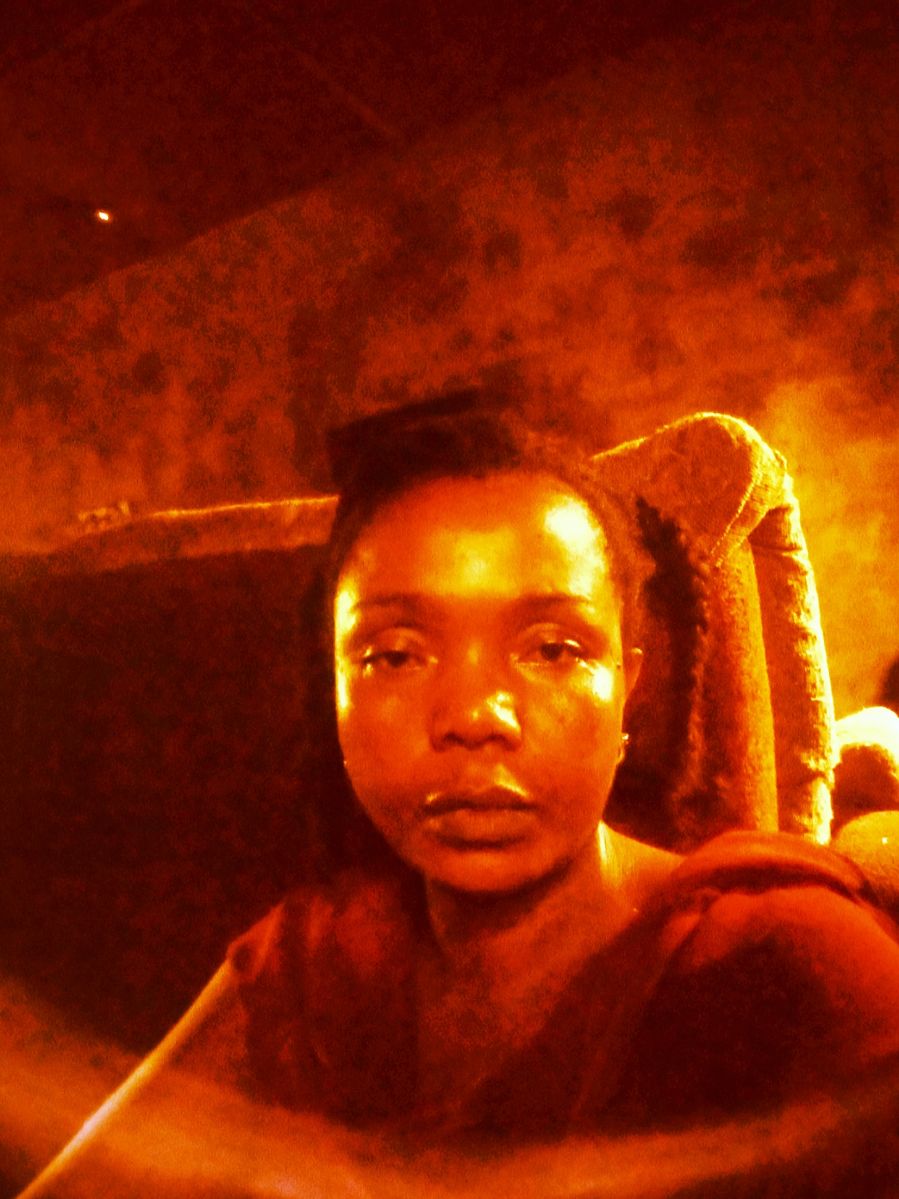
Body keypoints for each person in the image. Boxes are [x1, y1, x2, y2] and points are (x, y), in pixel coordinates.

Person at [19, 393, 899, 1197]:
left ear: (628, 689)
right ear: (333, 693)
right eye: (396, 654)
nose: (476, 715)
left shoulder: (782, 959)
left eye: (551, 649)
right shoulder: (318, 966)